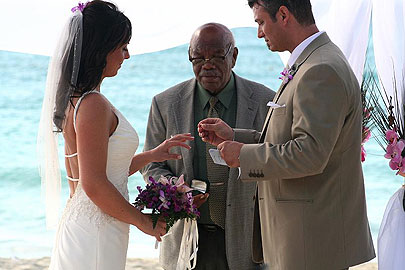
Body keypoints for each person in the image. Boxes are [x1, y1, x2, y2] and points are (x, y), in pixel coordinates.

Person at [198, 1, 376, 269]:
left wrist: (242, 156)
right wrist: (234, 135)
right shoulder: (311, 61)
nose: (259, 33)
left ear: (283, 15)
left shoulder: (320, 69)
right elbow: (289, 139)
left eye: (260, 22)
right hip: (301, 239)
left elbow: (310, 153)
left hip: (311, 242)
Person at [37, 1, 193, 269]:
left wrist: (152, 155)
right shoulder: (93, 105)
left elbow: (104, 170)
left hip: (88, 225)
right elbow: (95, 184)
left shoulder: (74, 100)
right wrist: (146, 222)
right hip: (96, 231)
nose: (127, 56)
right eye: (123, 48)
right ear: (101, 50)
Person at [141, 23, 275, 270]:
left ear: (233, 56)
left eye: (216, 56)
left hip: (248, 241)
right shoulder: (164, 103)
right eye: (199, 58)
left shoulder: (265, 101)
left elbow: (275, 157)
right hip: (186, 239)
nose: (208, 65)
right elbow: (151, 165)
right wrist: (177, 190)